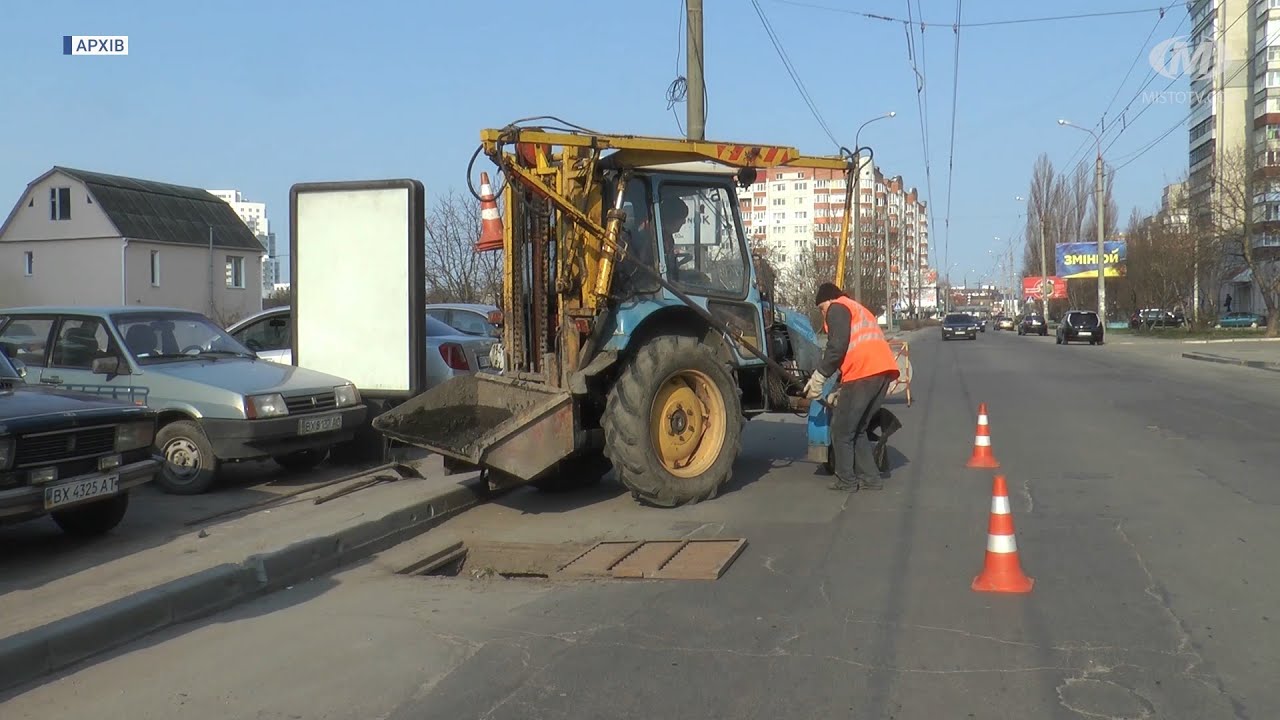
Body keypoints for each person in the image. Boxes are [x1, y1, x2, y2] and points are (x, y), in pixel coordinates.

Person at [804, 282, 901, 492]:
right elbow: (853, 349)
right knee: (858, 429)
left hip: (863, 372)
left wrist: (819, 376)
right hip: (881, 371)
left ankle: (846, 480)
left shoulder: (837, 307)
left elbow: (837, 347)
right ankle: (871, 478)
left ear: (829, 300)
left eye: (822, 308)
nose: (823, 314)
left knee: (841, 430)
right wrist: (839, 387)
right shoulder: (857, 308)